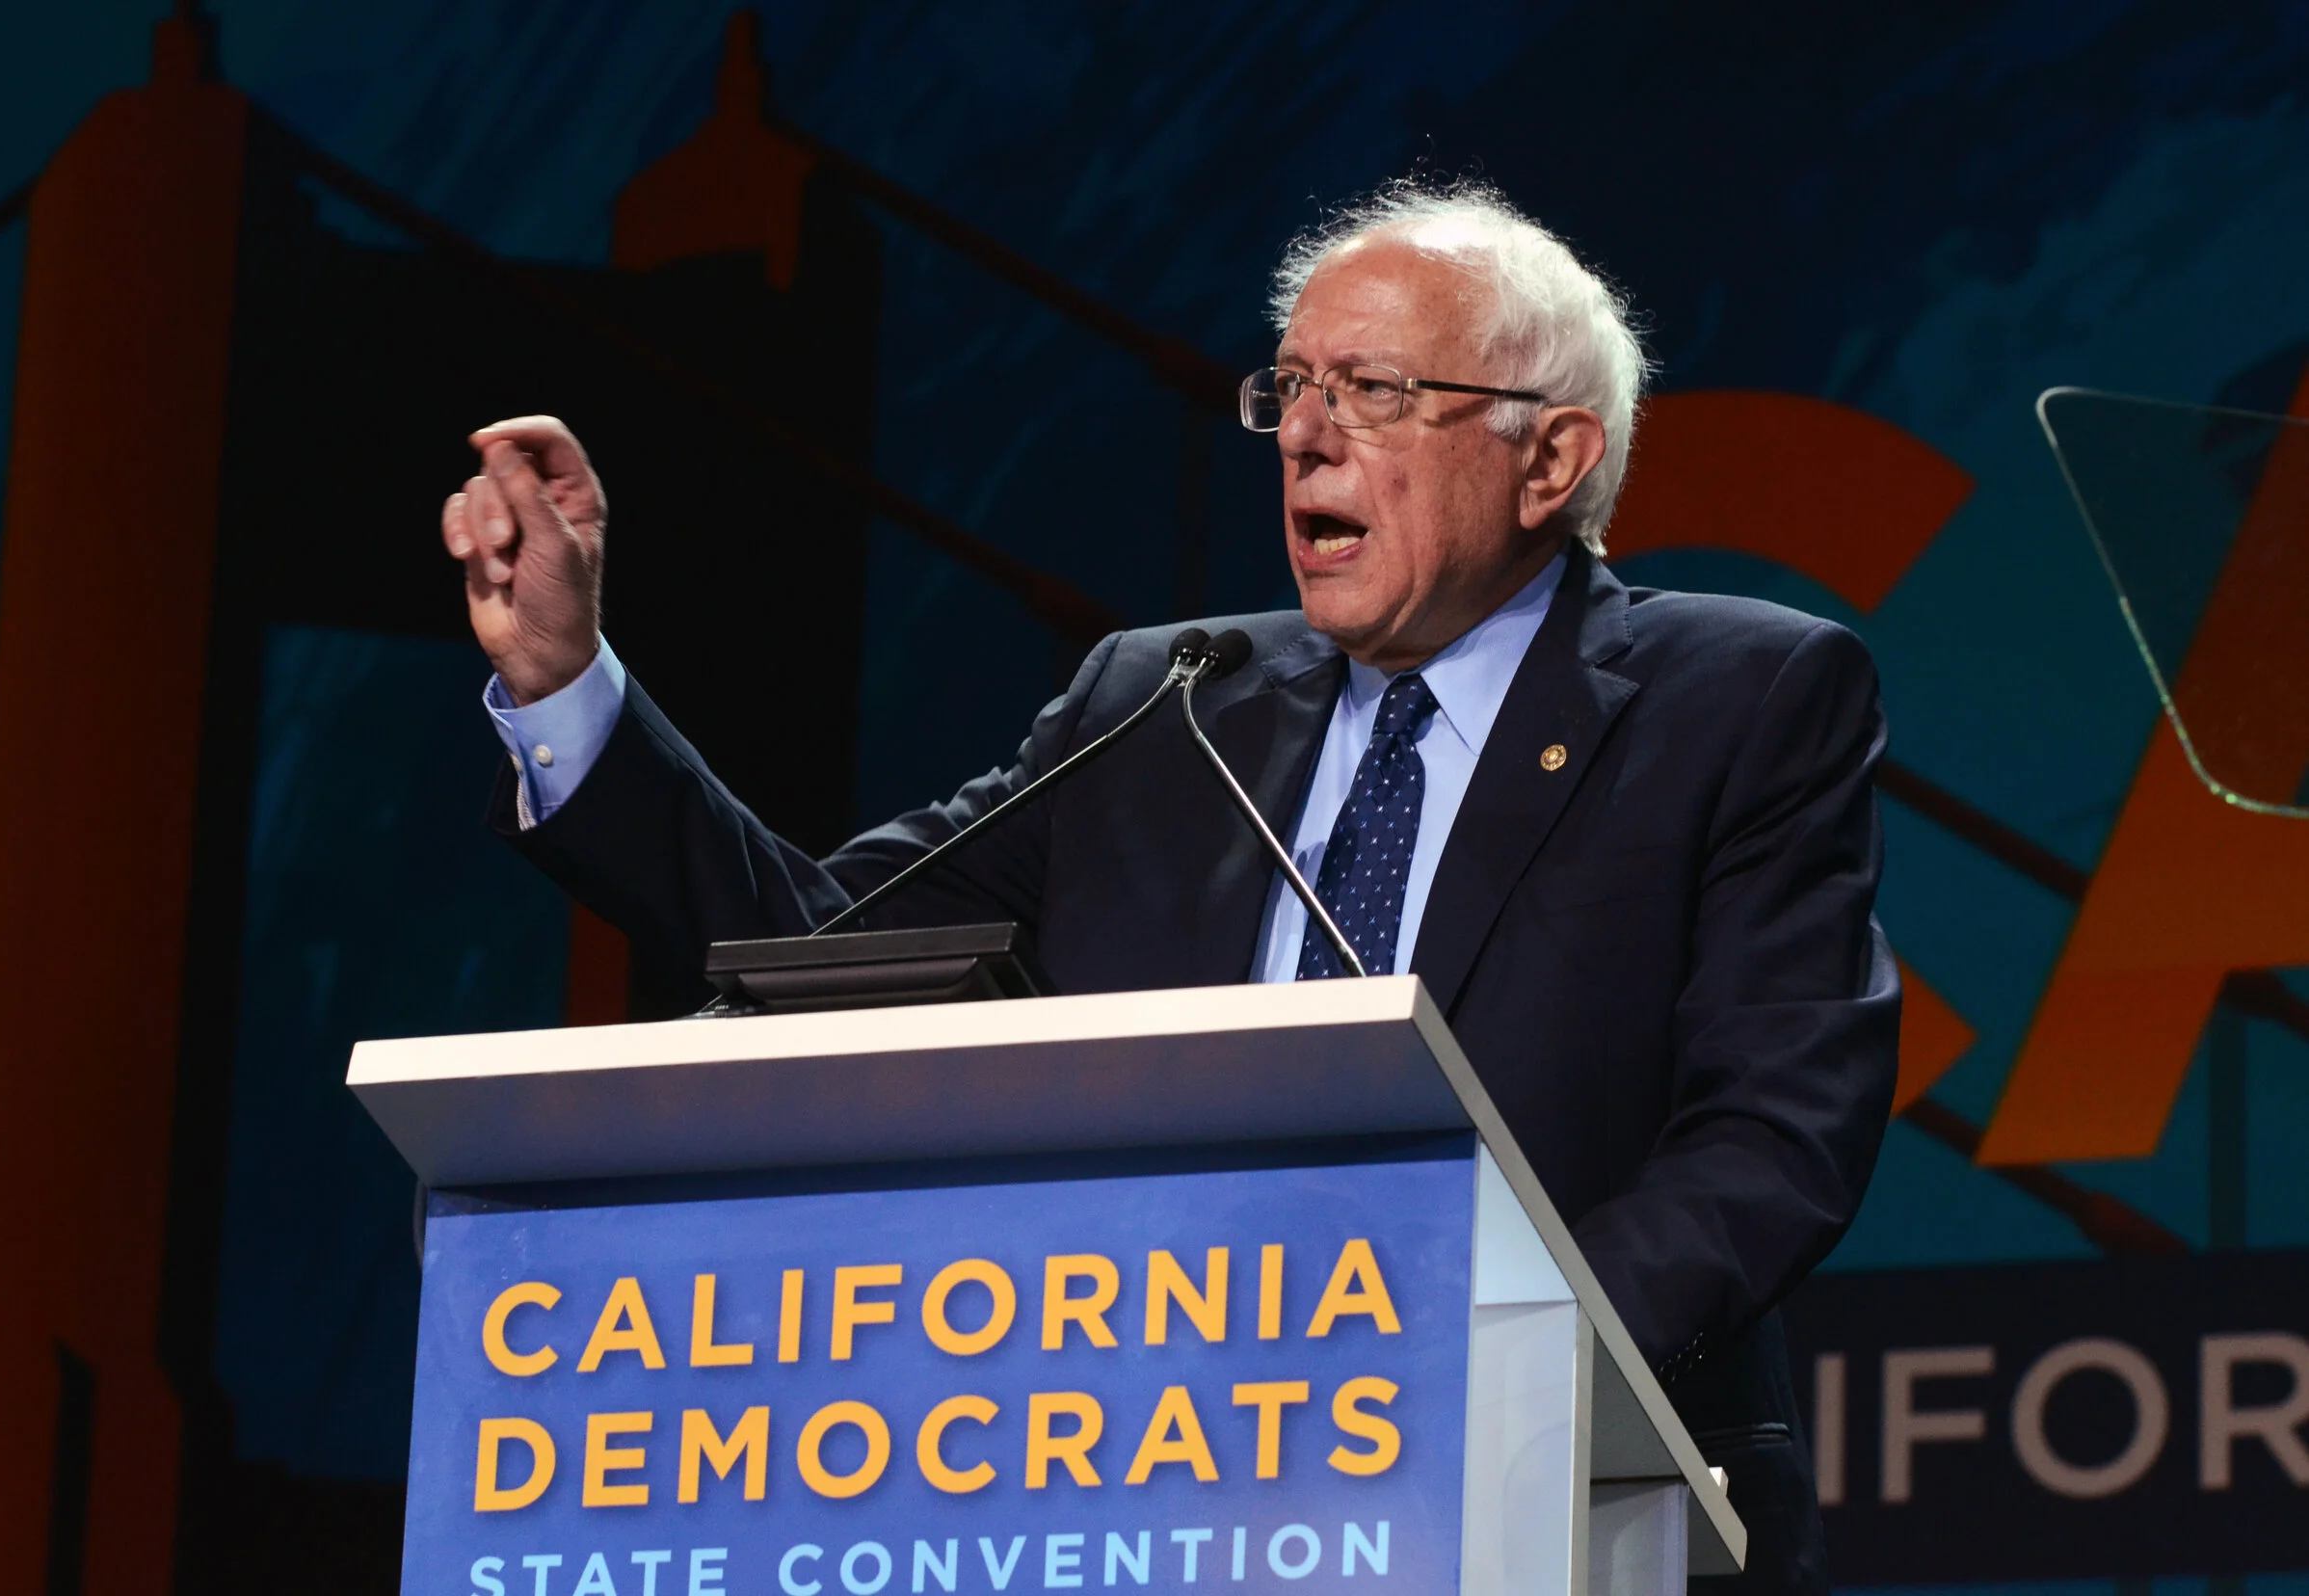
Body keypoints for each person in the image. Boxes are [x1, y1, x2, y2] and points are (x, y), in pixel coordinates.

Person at [439, 178, 1897, 1596]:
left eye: (1376, 391)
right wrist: (571, 692)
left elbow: (1777, 1131)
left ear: (1551, 459)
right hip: (1159, 1492)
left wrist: (1485, 1347)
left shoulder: (1740, 699)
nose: (1308, 436)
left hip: (1564, 1498)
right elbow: (818, 957)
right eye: (1291, 389)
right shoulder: (1165, 702)